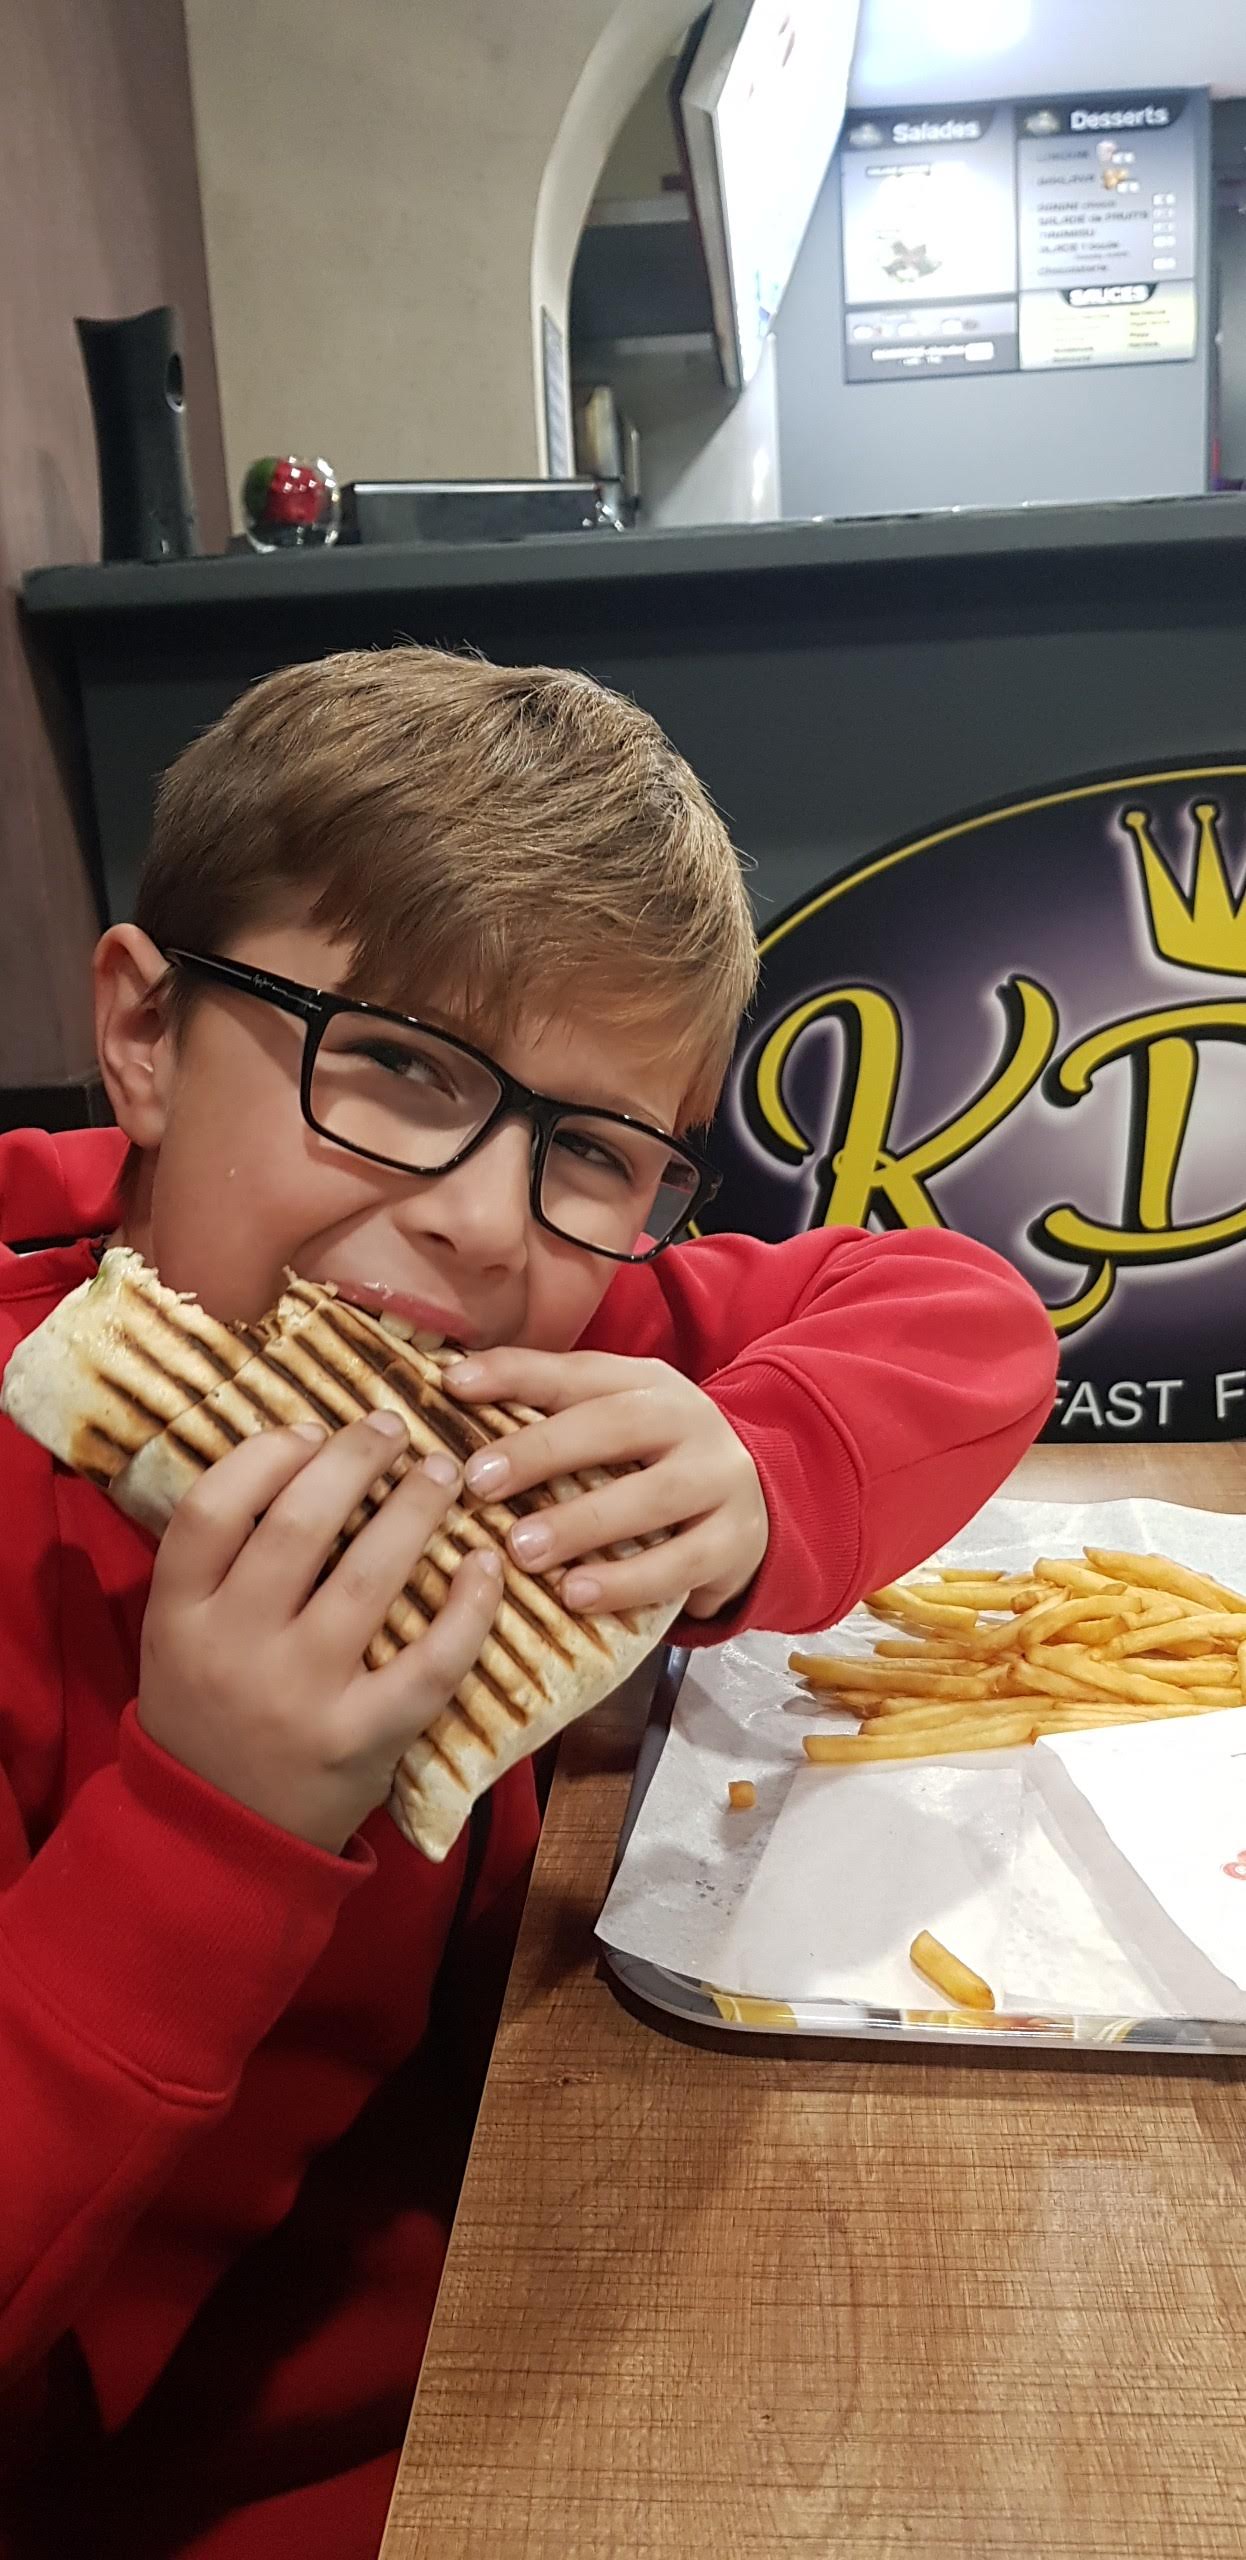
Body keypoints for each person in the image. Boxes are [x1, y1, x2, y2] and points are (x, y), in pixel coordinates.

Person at [0, 648, 1056, 2557]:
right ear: (147, 1033)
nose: (484, 1223)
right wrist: (209, 1817)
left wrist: (758, 1468)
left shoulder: (528, 1355)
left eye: (588, 1150)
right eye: (394, 1065)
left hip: (549, 2273)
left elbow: (964, 1317)